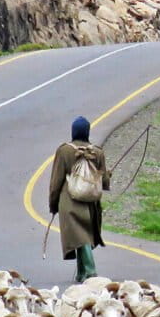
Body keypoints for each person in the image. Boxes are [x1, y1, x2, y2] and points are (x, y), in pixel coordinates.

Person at [49, 116, 110, 283]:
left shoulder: (64, 151)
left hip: (69, 201)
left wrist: (53, 203)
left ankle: (90, 270)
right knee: (85, 235)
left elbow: (56, 180)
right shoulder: (97, 152)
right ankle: (81, 272)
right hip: (91, 202)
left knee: (79, 236)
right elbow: (104, 181)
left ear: (73, 131)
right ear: (87, 132)